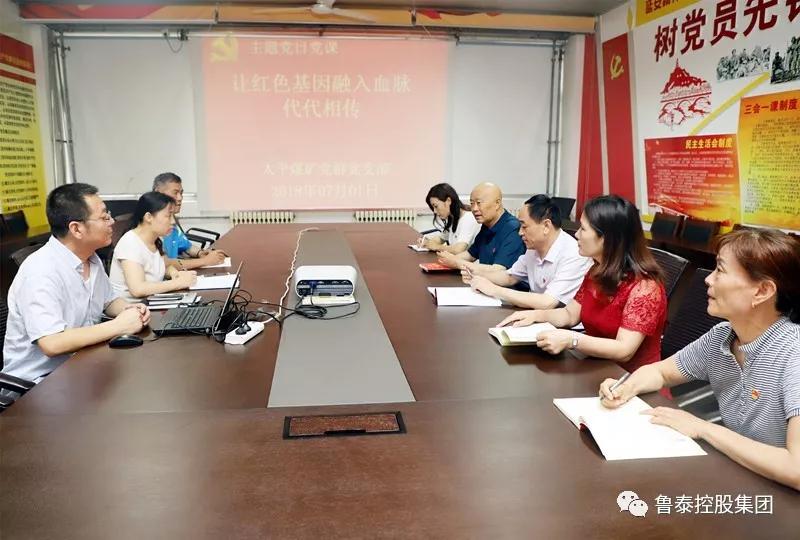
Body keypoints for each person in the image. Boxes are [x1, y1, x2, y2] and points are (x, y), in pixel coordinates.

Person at [599, 229, 800, 491]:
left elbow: (796, 468)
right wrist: (625, 388)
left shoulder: (794, 352)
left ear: (762, 291)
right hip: (741, 478)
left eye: (720, 270)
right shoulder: (722, 336)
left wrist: (703, 428)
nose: (708, 279)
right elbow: (661, 372)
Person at [498, 195, 666, 373]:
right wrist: (536, 315)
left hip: (631, 379)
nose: (576, 234)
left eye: (583, 229)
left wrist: (572, 340)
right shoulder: (596, 271)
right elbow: (570, 315)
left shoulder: (645, 288)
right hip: (595, 368)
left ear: (606, 238)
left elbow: (624, 350)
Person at [2, 183, 151, 383]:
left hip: (81, 366)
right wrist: (119, 326)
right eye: (104, 217)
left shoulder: (91, 258)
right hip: (37, 383)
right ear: (76, 228)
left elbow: (108, 301)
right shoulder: (40, 270)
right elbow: (52, 343)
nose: (112, 222)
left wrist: (131, 309)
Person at [464, 194, 592, 309]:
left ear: (546, 226)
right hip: (536, 316)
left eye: (524, 226)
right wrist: (477, 276)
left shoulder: (574, 254)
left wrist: (494, 290)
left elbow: (548, 302)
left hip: (561, 324)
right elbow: (510, 277)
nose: (520, 232)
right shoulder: (534, 248)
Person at [109, 192, 198, 301]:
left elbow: (160, 266)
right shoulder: (130, 243)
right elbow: (138, 289)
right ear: (148, 217)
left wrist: (173, 273)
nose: (173, 221)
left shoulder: (155, 240)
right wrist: (178, 283)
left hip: (151, 303)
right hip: (131, 307)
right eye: (168, 216)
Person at [437, 182, 525, 271]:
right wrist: (448, 259)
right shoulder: (487, 225)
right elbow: (470, 255)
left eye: (479, 203)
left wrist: (457, 263)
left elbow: (498, 270)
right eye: (472, 203)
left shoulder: (513, 229)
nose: (474, 209)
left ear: (497, 203)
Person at [152, 172, 226, 269]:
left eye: (181, 193)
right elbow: (165, 264)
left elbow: (185, 246)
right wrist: (204, 261)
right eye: (175, 193)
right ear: (158, 193)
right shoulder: (151, 224)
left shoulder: (171, 219)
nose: (180, 198)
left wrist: (200, 253)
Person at [416, 183, 480, 254]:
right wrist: (427, 243)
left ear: (448, 201)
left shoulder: (468, 218)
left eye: (436, 206)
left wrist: (436, 246)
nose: (434, 211)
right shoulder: (452, 217)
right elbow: (441, 238)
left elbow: (458, 250)